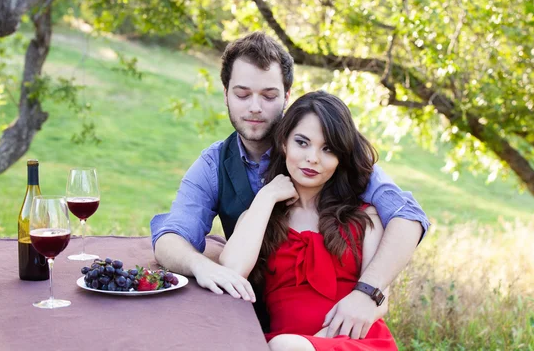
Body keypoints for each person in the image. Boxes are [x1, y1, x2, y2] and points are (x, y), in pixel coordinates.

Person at [151, 32, 429, 336]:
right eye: (242, 94)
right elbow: (170, 238)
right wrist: (202, 266)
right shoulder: (212, 164)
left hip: (331, 327)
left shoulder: (325, 155)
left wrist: (367, 292)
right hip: (246, 312)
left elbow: (408, 217)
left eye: (269, 96)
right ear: (226, 93)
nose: (255, 107)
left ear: (286, 96)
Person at [220, 91, 397, 350]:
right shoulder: (259, 216)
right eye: (302, 143)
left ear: (341, 157)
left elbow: (380, 300)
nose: (313, 158)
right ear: (283, 143)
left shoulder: (364, 216)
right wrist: (267, 196)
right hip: (283, 345)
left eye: (327, 149)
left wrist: (322, 339)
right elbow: (232, 272)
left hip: (357, 341)